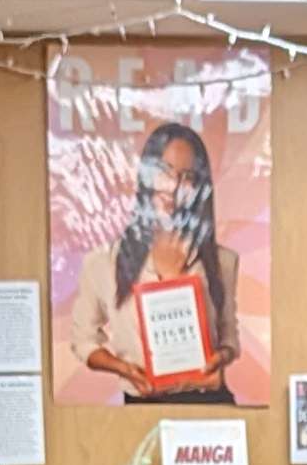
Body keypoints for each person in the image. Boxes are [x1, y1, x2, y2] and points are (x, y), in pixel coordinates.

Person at [69, 116, 247, 401]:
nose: (175, 187)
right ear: (146, 176)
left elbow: (229, 337)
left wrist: (221, 358)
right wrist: (124, 369)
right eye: (165, 171)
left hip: (208, 405)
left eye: (188, 177)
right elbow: (83, 340)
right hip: (142, 403)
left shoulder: (222, 261)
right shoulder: (104, 262)